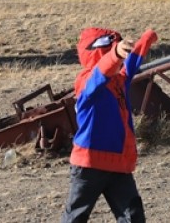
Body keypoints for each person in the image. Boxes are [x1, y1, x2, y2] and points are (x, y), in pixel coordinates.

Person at [60, 27, 158, 223]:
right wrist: (115, 55)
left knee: (133, 216)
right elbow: (101, 71)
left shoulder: (119, 81)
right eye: (111, 47)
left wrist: (147, 38)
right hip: (89, 164)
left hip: (118, 164)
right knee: (75, 217)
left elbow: (131, 64)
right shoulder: (86, 80)